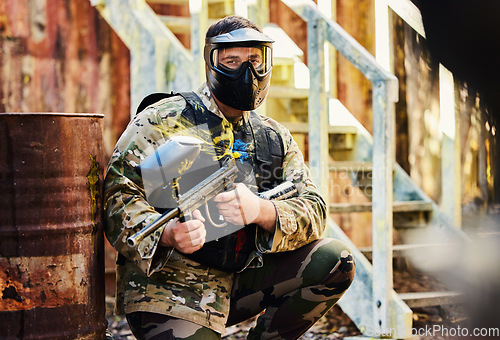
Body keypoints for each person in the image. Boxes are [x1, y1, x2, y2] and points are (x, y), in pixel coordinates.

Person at [104, 15, 355, 340]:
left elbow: (315, 208)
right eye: (232, 61)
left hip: (242, 276)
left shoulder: (273, 137)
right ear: (211, 62)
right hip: (172, 291)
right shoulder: (162, 120)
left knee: (335, 260)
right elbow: (117, 197)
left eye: (253, 60)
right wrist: (168, 234)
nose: (245, 72)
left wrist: (261, 211)